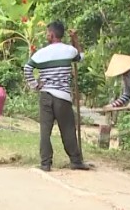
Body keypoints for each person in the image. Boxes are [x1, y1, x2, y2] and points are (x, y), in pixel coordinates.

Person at [23, 20, 91, 172]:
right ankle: (75, 161)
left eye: (47, 33)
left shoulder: (41, 53)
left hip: (46, 95)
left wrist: (35, 85)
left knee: (45, 131)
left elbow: (27, 68)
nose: (46, 35)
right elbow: (81, 56)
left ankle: (45, 163)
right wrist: (75, 39)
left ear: (52, 35)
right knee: (67, 129)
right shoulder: (69, 50)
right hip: (62, 97)